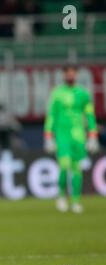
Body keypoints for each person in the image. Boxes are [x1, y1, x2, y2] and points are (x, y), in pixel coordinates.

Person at [44, 65, 99, 214]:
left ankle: (75, 201)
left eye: (72, 73)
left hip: (78, 135)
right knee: (64, 165)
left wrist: (93, 135)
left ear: (76, 75)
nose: (70, 76)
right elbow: (51, 115)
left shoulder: (83, 94)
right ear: (63, 75)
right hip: (62, 135)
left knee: (77, 169)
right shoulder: (57, 93)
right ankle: (61, 196)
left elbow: (90, 115)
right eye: (67, 73)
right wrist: (48, 136)